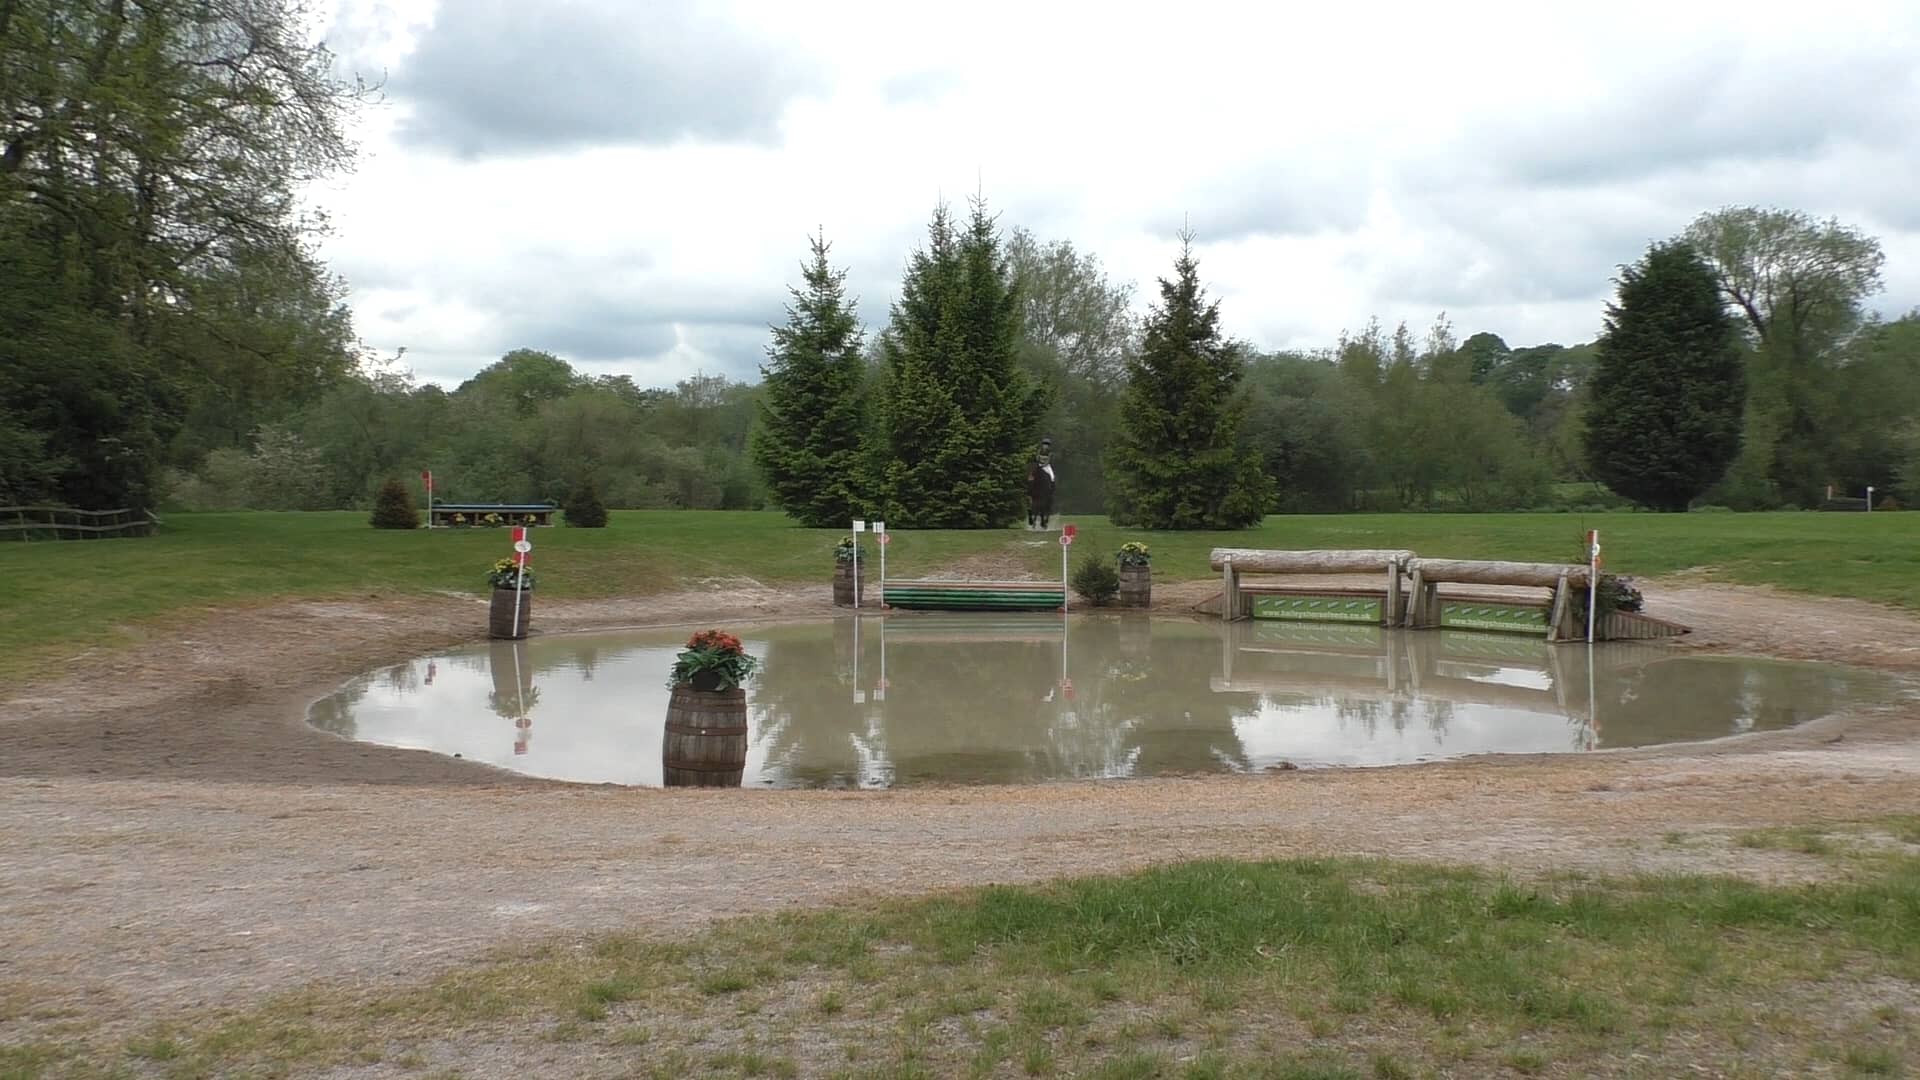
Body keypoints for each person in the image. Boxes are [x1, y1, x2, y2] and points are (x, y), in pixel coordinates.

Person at [1026, 438, 1056, 530]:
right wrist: (1038, 465)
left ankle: (1051, 490)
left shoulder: (1050, 453)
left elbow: (1048, 461)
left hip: (1046, 467)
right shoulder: (1039, 451)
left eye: (1047, 444)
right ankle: (1029, 489)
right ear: (1042, 444)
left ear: (1049, 446)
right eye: (1044, 444)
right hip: (1039, 465)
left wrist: (1043, 466)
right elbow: (1037, 458)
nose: (1045, 446)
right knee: (1031, 475)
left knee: (1052, 477)